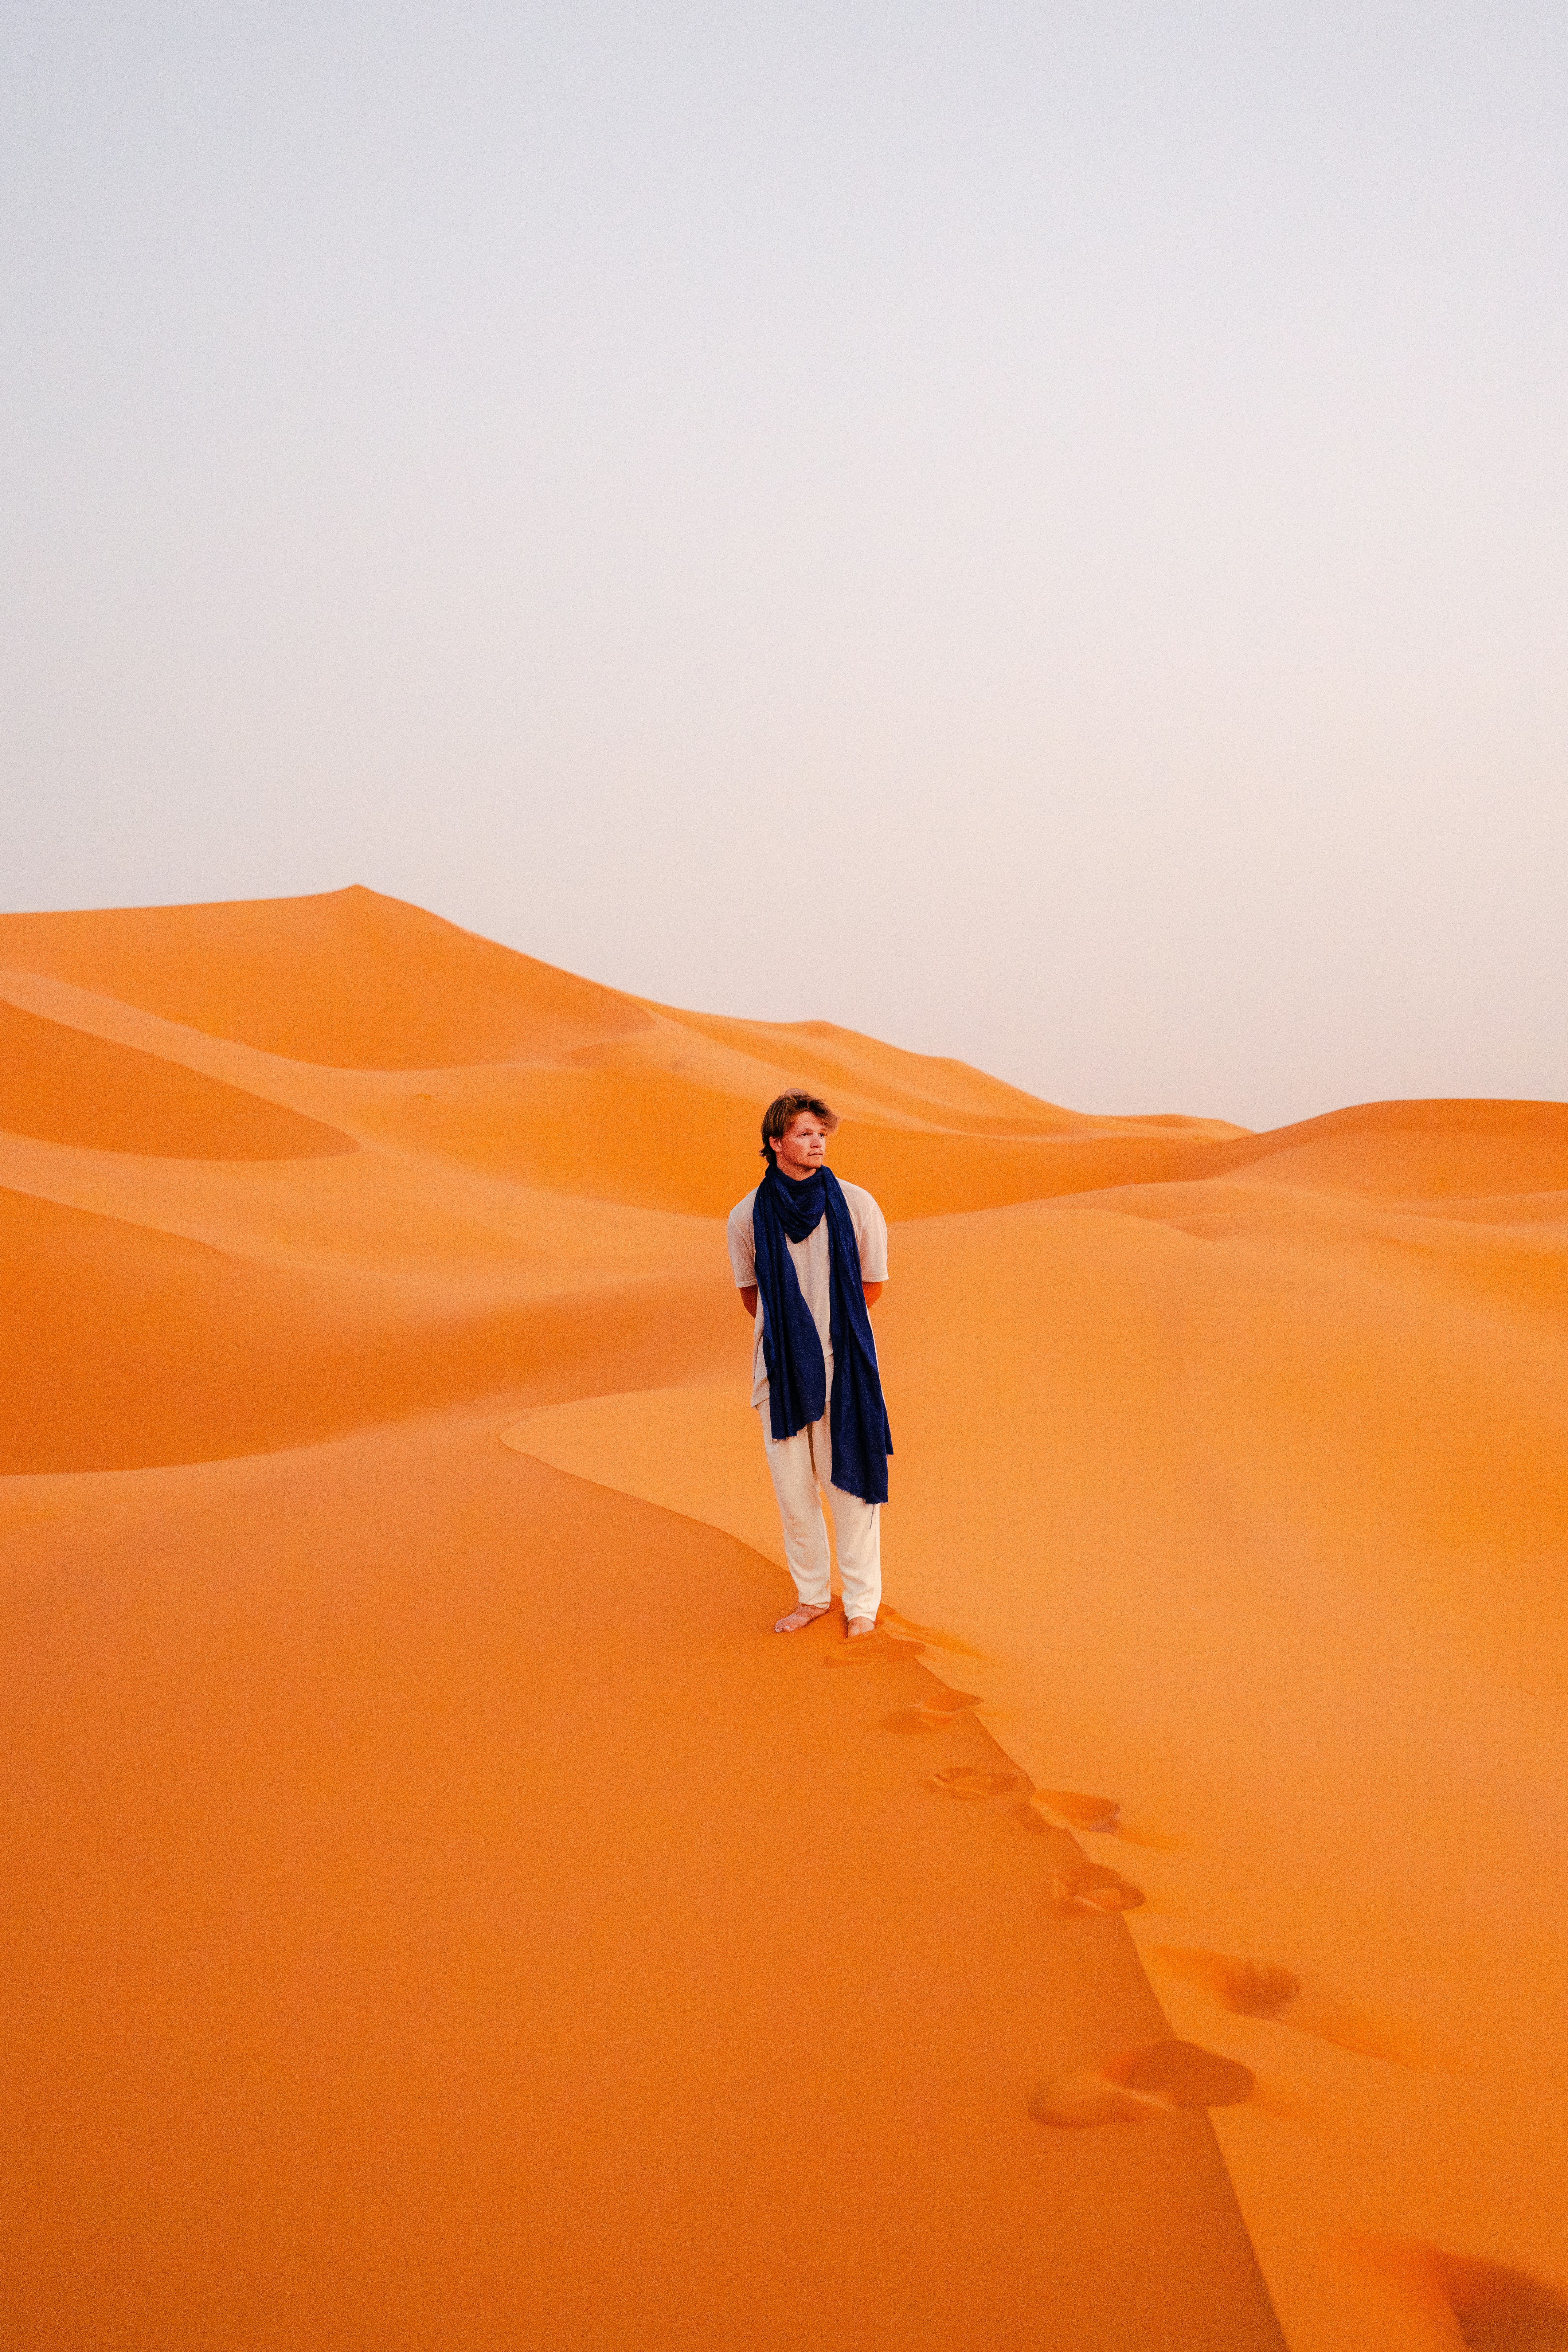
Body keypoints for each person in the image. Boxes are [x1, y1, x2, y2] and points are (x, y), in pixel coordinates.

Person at [727, 1091, 893, 1638]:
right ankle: (813, 1597)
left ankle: (863, 1604)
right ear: (775, 1143)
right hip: (780, 1374)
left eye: (821, 1132)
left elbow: (874, 1284)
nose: (816, 1142)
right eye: (803, 1133)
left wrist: (829, 1334)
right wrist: (794, 1343)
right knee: (796, 1496)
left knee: (851, 1494)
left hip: (844, 1370)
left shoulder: (859, 1204)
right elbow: (753, 1297)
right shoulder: (746, 1216)